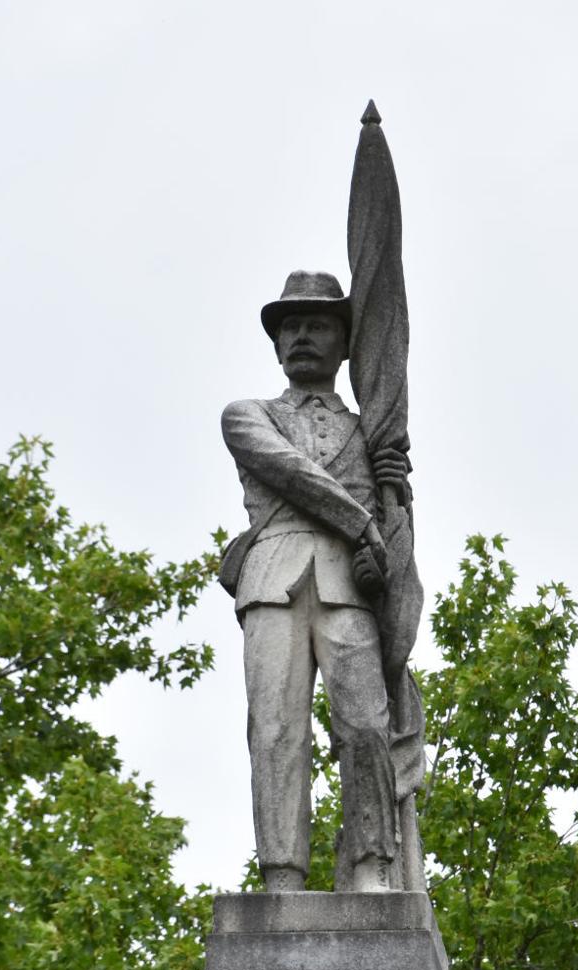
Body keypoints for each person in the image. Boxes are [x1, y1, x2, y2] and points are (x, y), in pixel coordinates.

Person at [221, 270, 410, 894]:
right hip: (272, 580)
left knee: (364, 726)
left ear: (346, 341)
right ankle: (281, 875)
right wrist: (362, 525)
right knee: (275, 730)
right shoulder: (247, 415)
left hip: (347, 588)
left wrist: (390, 518)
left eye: (318, 324)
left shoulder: (372, 431)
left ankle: (371, 866)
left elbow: (397, 547)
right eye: (291, 327)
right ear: (276, 345)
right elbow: (292, 474)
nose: (302, 336)